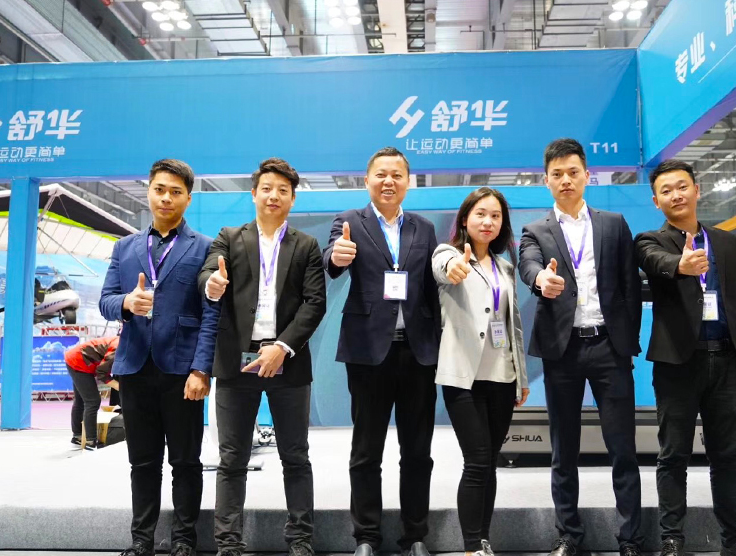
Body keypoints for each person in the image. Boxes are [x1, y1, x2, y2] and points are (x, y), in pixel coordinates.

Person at [518, 138, 643, 556]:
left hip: (609, 347)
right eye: (557, 174)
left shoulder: (613, 224)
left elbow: (629, 286)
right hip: (564, 351)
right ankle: (569, 536)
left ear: (587, 175)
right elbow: (528, 264)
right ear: (546, 180)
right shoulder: (535, 230)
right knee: (563, 448)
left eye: (573, 172)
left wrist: (626, 340)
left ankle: (630, 538)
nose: (566, 180)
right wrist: (541, 279)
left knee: (622, 448)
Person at [197, 158, 326, 556]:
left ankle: (300, 539)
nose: (274, 196)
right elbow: (207, 275)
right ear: (253, 194)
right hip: (235, 363)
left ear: (292, 198)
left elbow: (315, 303)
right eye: (267, 188)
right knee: (232, 458)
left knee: (295, 456)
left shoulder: (306, 245)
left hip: (288, 361)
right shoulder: (229, 237)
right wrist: (212, 284)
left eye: (283, 190)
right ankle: (228, 543)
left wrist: (281, 347)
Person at [635, 159, 736, 556]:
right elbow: (654, 263)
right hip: (677, 364)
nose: (676, 195)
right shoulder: (650, 241)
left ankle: (734, 539)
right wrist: (681, 264)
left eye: (682, 186)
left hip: (727, 362)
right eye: (666, 191)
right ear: (656, 201)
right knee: (673, 455)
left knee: (727, 456)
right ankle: (672, 538)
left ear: (696, 190)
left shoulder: (725, 242)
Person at [322, 146, 441, 556]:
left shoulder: (424, 228)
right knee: (366, 451)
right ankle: (366, 537)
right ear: (367, 180)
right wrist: (337, 256)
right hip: (368, 352)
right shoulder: (350, 221)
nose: (389, 181)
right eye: (381, 174)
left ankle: (415, 535)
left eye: (397, 175)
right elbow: (332, 259)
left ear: (408, 181)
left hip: (417, 353)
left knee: (418, 452)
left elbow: (431, 288)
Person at [100, 159, 218, 556]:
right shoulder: (125, 248)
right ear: (148, 192)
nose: (166, 198)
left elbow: (210, 314)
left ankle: (184, 540)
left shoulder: (204, 247)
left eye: (176, 192)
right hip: (135, 367)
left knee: (186, 462)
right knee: (142, 462)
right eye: (160, 189)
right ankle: (141, 541)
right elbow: (105, 301)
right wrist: (126, 303)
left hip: (182, 371)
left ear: (188, 198)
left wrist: (202, 368)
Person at [431, 187, 529, 556]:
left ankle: (484, 540)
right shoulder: (449, 253)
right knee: (476, 461)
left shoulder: (505, 268)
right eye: (481, 214)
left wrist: (520, 376)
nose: (488, 222)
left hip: (502, 376)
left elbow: (513, 325)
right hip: (463, 377)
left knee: (490, 463)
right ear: (465, 219)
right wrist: (454, 268)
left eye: (496, 216)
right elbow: (443, 268)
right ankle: (472, 547)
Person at [64, 335, 119, 450]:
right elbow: (101, 373)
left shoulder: (124, 342)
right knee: (93, 401)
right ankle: (90, 441)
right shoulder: (118, 348)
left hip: (78, 359)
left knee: (80, 400)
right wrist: (117, 386)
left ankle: (77, 436)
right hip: (78, 362)